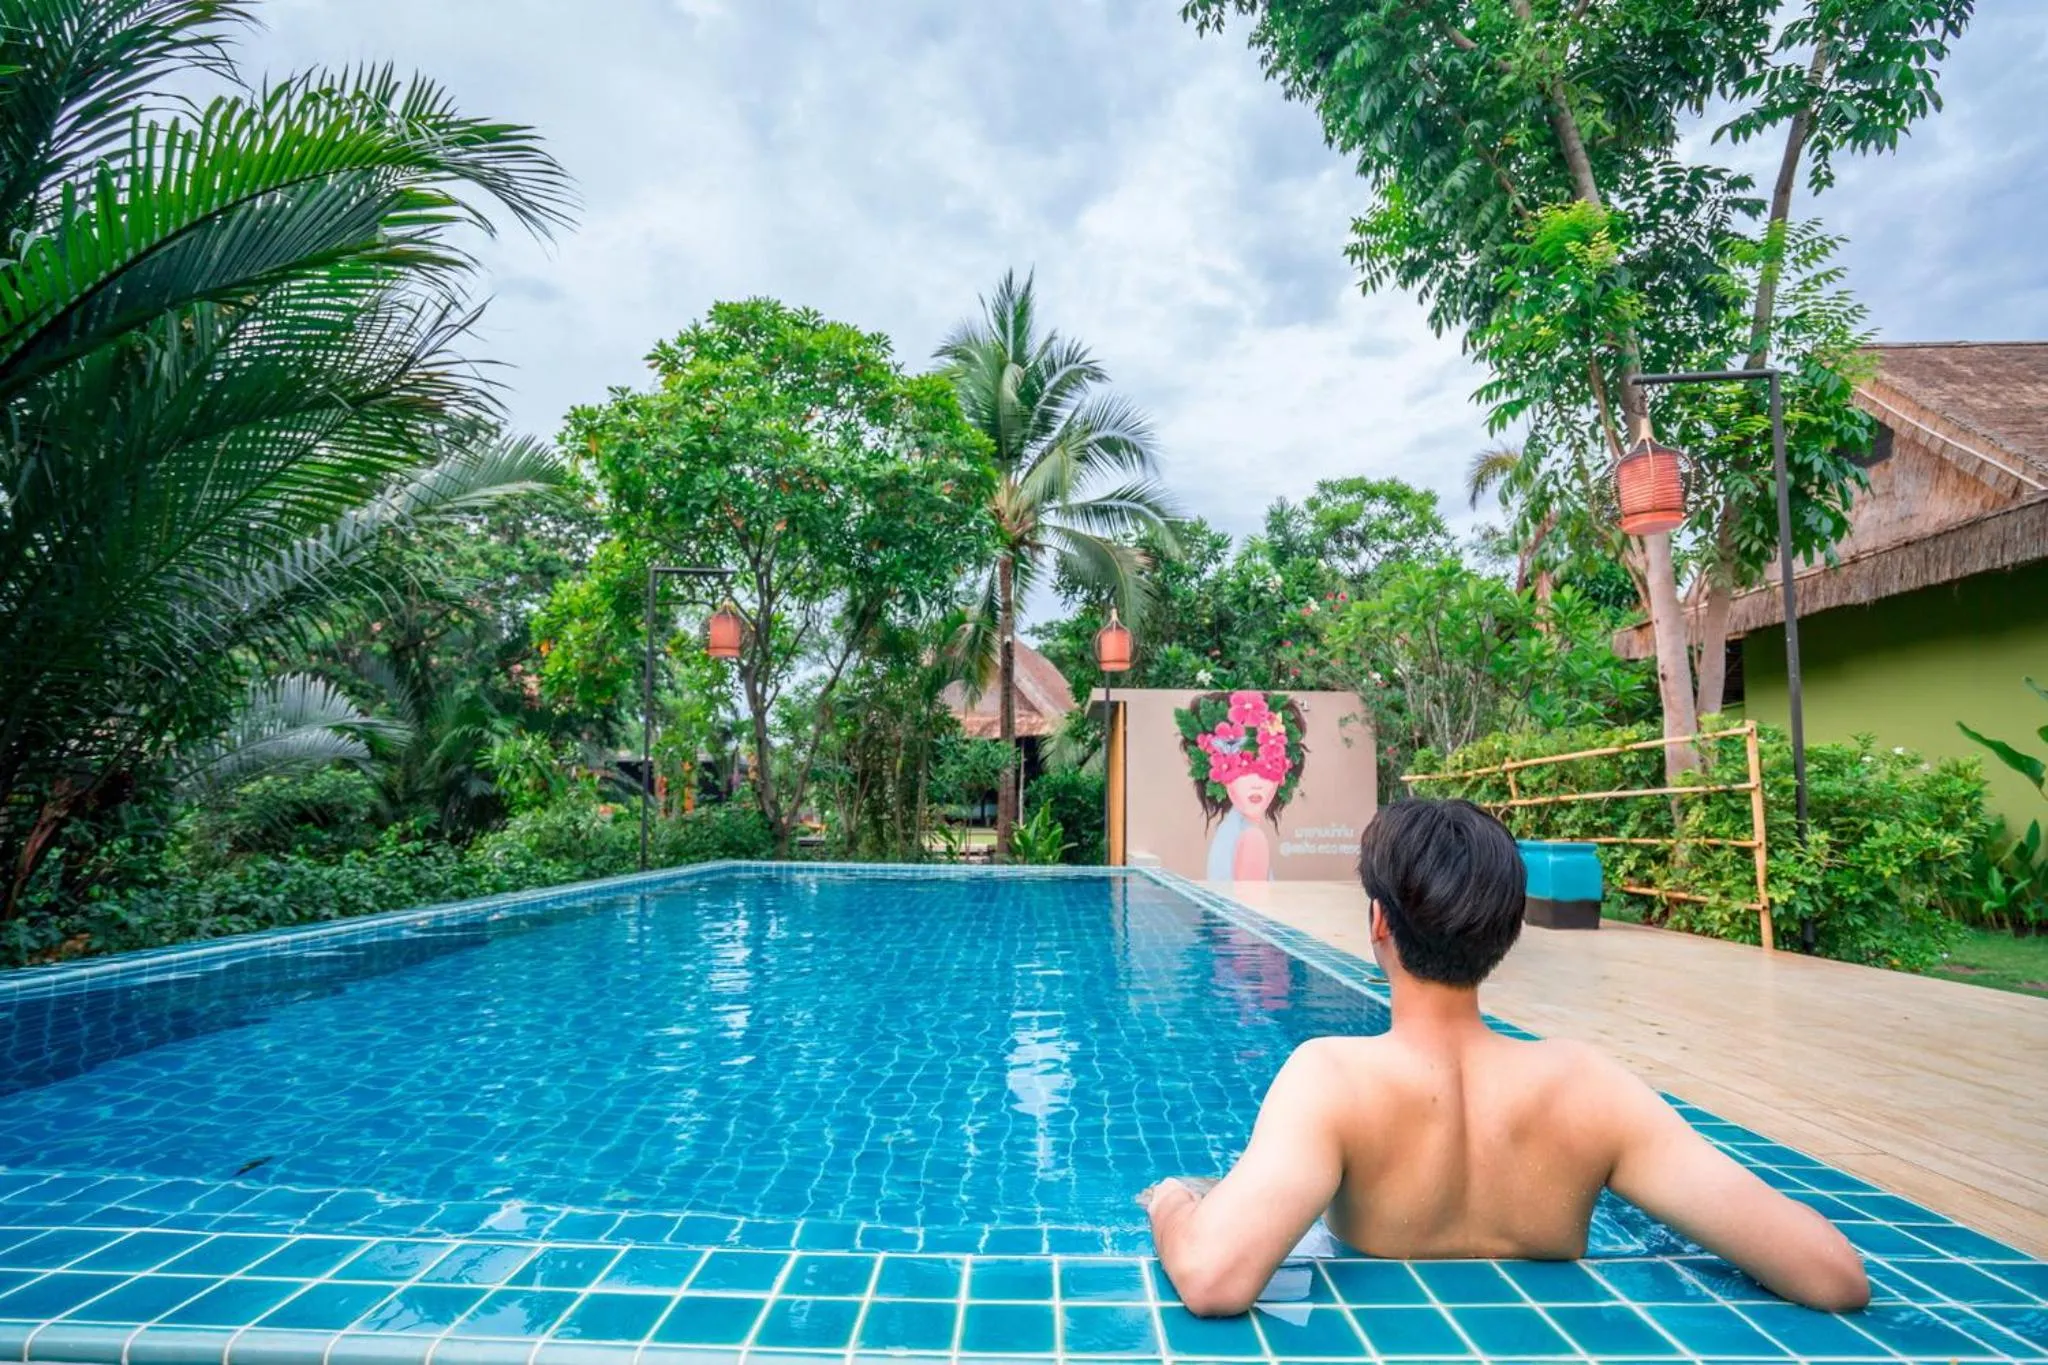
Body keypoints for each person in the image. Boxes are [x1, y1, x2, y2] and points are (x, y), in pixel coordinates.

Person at [1142, 799, 1870, 1317]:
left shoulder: (1333, 1079)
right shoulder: (1589, 1086)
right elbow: (1834, 1273)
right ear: (1509, 931)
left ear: (1377, 922)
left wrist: (1175, 1201)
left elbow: (1212, 1276)